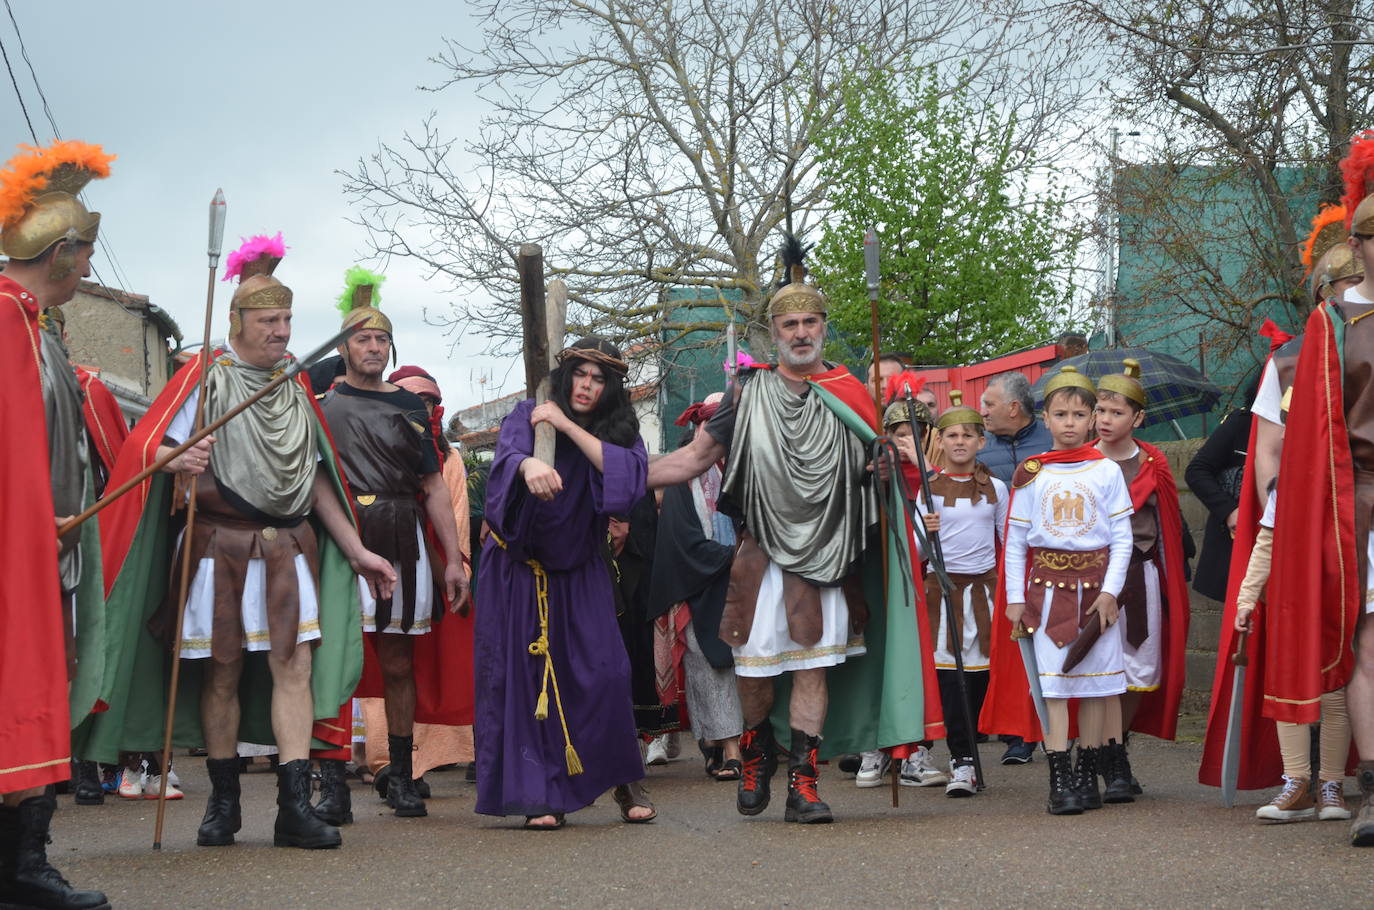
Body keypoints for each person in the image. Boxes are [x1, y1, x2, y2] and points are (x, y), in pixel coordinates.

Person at [79, 237, 396, 851]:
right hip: (218, 545)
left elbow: (317, 478)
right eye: (269, 321)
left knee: (294, 667)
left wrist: (355, 550)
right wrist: (177, 456)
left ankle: (292, 808)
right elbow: (145, 451)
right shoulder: (205, 378)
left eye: (286, 320)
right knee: (221, 673)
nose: (281, 331)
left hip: (290, 547)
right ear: (238, 322)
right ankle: (222, 806)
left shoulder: (295, 384)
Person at [647, 238, 934, 824]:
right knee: (755, 675)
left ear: (823, 327)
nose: (801, 332)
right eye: (789, 324)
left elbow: (875, 474)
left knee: (812, 668)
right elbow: (691, 461)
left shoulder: (850, 395)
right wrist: (603, 476)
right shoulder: (745, 394)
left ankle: (803, 780)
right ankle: (755, 752)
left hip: (830, 560)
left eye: (809, 322)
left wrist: (880, 470)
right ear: (774, 333)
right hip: (761, 560)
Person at [1198, 202, 1363, 802]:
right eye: (1342, 284)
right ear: (1324, 292)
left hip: (1357, 514)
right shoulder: (1288, 359)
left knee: (1347, 663)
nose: (1352, 292)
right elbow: (1269, 448)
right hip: (1295, 519)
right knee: (1295, 657)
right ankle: (1299, 779)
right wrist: (1280, 508)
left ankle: (1336, 781)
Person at [474, 336, 654, 829]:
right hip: (519, 572)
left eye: (599, 380)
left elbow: (629, 480)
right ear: (567, 372)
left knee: (608, 673)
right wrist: (529, 461)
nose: (587, 386)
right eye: (581, 374)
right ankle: (539, 796)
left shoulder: (617, 428)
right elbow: (507, 460)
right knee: (528, 684)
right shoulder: (528, 412)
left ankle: (624, 780)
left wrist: (567, 427)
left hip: (581, 570)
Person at [0, 139, 113, 910]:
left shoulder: (35, 327)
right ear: (62, 252)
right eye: (86, 254)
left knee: (40, 688)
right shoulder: (9, 321)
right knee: (20, 693)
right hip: (23, 548)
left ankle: (22, 864)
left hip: (49, 543)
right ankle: (22, 872)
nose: (91, 271)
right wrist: (37, 522)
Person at [312, 269, 468, 822]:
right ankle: (330, 779)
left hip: (405, 536)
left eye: (381, 339)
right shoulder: (324, 406)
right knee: (335, 659)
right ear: (344, 347)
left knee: (399, 659)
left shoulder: (410, 407)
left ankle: (400, 775)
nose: (373, 347)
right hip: (345, 536)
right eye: (362, 338)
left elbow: (432, 489)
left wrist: (453, 561)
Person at [1266, 134, 1374, 845]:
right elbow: (1311, 444)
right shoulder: (1332, 325)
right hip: (1362, 503)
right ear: (1360, 244)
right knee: (1366, 646)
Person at [980, 366, 1134, 815]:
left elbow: (1121, 539)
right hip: (1046, 595)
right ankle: (1060, 776)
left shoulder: (1106, 471)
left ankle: (1087, 773)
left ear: (1091, 420)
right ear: (1044, 418)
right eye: (1060, 413)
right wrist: (1012, 599)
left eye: (1078, 414)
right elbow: (1016, 542)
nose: (1069, 422)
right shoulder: (1032, 474)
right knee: (1055, 688)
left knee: (1091, 687)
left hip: (1095, 593)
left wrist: (1110, 593)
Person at [346, 364, 474, 800]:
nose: (424, 407)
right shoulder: (349, 423)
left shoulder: (448, 457)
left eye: (431, 401)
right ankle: (375, 762)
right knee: (356, 662)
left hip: (424, 565)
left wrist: (454, 565)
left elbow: (450, 508)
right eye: (415, 398)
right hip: (359, 553)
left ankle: (412, 766)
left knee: (411, 665)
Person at [1092, 360, 1192, 794]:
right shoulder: (1079, 461)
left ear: (1137, 418)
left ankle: (1116, 750)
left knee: (1138, 672)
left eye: (1116, 412)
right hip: (1092, 580)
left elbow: (1169, 525)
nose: (1105, 420)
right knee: (1098, 668)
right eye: (1100, 410)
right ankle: (1098, 754)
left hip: (1141, 576)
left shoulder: (1154, 461)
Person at [1237, 482, 1352, 822]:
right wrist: (1247, 598)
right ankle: (1297, 783)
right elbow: (1266, 543)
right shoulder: (1283, 488)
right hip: (1291, 601)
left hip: (1338, 596)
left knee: (1334, 690)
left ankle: (1332, 785)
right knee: (1287, 691)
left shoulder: (1348, 478)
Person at [914, 391, 1007, 796]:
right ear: (940, 441)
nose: (959, 443)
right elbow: (917, 553)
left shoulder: (996, 489)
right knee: (949, 679)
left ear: (981, 442)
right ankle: (961, 761)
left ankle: (972, 747)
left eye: (968, 436)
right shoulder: (928, 490)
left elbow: (1009, 540)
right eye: (951, 435)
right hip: (942, 593)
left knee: (981, 676)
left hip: (983, 593)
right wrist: (925, 531)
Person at [648, 393, 745, 781]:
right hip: (698, 582)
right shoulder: (681, 475)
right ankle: (728, 747)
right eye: (708, 424)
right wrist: (732, 557)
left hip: (743, 583)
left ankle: (718, 742)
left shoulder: (742, 466)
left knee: (740, 667)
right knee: (708, 665)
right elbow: (680, 539)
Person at [978, 370, 1051, 765]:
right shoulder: (978, 449)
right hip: (1004, 563)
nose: (982, 412)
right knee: (1012, 647)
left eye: (989, 404)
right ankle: (1017, 734)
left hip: (1056, 560)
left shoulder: (1053, 442)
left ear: (1013, 407)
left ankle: (1060, 729)